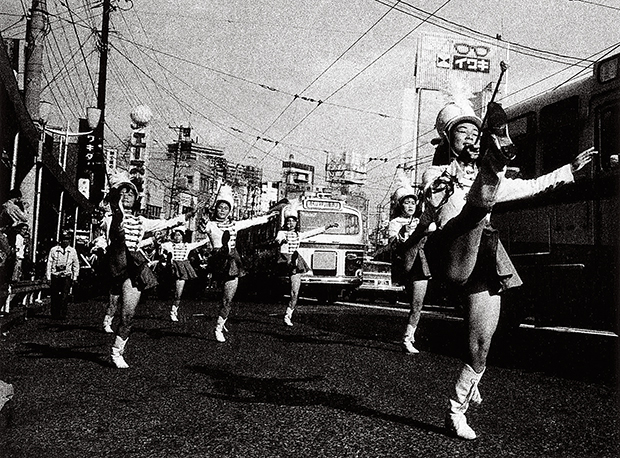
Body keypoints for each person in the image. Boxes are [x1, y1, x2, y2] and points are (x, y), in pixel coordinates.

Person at [407, 100, 597, 440]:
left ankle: (455, 408)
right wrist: (442, 186)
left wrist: (568, 169)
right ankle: (496, 162)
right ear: (447, 140)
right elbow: (439, 206)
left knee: (481, 345)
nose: (469, 138)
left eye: (475, 133)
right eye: (461, 132)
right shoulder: (435, 175)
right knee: (474, 211)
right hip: (452, 251)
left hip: (484, 257)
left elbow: (533, 185)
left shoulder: (488, 180)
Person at [103, 171, 191, 368]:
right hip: (115, 263)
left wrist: (185, 216)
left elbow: (166, 223)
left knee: (128, 315)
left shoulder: (142, 221)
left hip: (133, 267)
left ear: (136, 199)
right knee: (114, 304)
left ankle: (117, 351)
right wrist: (114, 205)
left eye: (130, 194)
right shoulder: (109, 218)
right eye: (122, 193)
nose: (126, 196)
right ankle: (108, 322)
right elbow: (113, 229)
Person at [198, 185, 277, 342]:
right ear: (216, 209)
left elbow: (251, 222)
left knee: (228, 298)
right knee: (219, 296)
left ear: (229, 210)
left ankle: (219, 326)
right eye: (220, 207)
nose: (222, 210)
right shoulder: (210, 225)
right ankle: (222, 316)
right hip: (218, 261)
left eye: (225, 208)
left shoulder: (234, 225)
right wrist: (202, 218)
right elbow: (201, 228)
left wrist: (268, 217)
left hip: (233, 261)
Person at [388, 182, 434, 354]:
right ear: (400, 205)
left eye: (413, 203)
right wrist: (402, 233)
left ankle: (409, 335)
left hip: (423, 262)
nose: (410, 206)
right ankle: (407, 338)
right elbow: (392, 245)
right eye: (406, 203)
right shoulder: (395, 223)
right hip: (408, 263)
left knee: (418, 304)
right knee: (415, 303)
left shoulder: (421, 220)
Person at [275, 204, 337, 326]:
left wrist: (327, 227)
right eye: (289, 221)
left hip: (294, 262)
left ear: (296, 223)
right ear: (286, 222)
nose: (290, 224)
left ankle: (288, 315)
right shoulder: (281, 233)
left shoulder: (299, 235)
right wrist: (282, 241)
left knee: (295, 292)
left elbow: (313, 232)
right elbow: (278, 239)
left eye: (293, 221)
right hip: (283, 261)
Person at [160, 226, 210, 322]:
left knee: (178, 292)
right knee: (168, 290)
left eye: (179, 235)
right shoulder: (169, 245)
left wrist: (209, 236)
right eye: (175, 235)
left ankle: (174, 310)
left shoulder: (187, 246)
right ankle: (169, 307)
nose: (177, 237)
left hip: (182, 268)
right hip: (171, 268)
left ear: (182, 236)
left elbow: (199, 243)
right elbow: (159, 245)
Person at [45, 231, 80, 320]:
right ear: (60, 240)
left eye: (67, 239)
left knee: (65, 295)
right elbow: (49, 263)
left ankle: (62, 314)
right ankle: (54, 314)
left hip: (66, 275)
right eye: (64, 239)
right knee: (54, 295)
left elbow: (76, 264)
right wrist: (48, 277)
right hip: (55, 275)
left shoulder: (72, 251)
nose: (65, 241)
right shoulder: (54, 250)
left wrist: (75, 277)